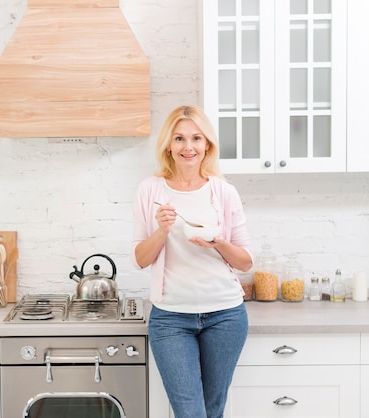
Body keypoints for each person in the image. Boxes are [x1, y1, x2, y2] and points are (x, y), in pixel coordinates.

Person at [131, 105, 253, 418]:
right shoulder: (150, 190)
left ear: (207, 145)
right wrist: (162, 230)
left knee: (213, 411)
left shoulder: (224, 192)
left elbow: (245, 261)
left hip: (225, 315)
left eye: (196, 138)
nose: (188, 147)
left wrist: (219, 242)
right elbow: (141, 259)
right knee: (190, 413)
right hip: (171, 318)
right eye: (180, 138)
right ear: (168, 145)